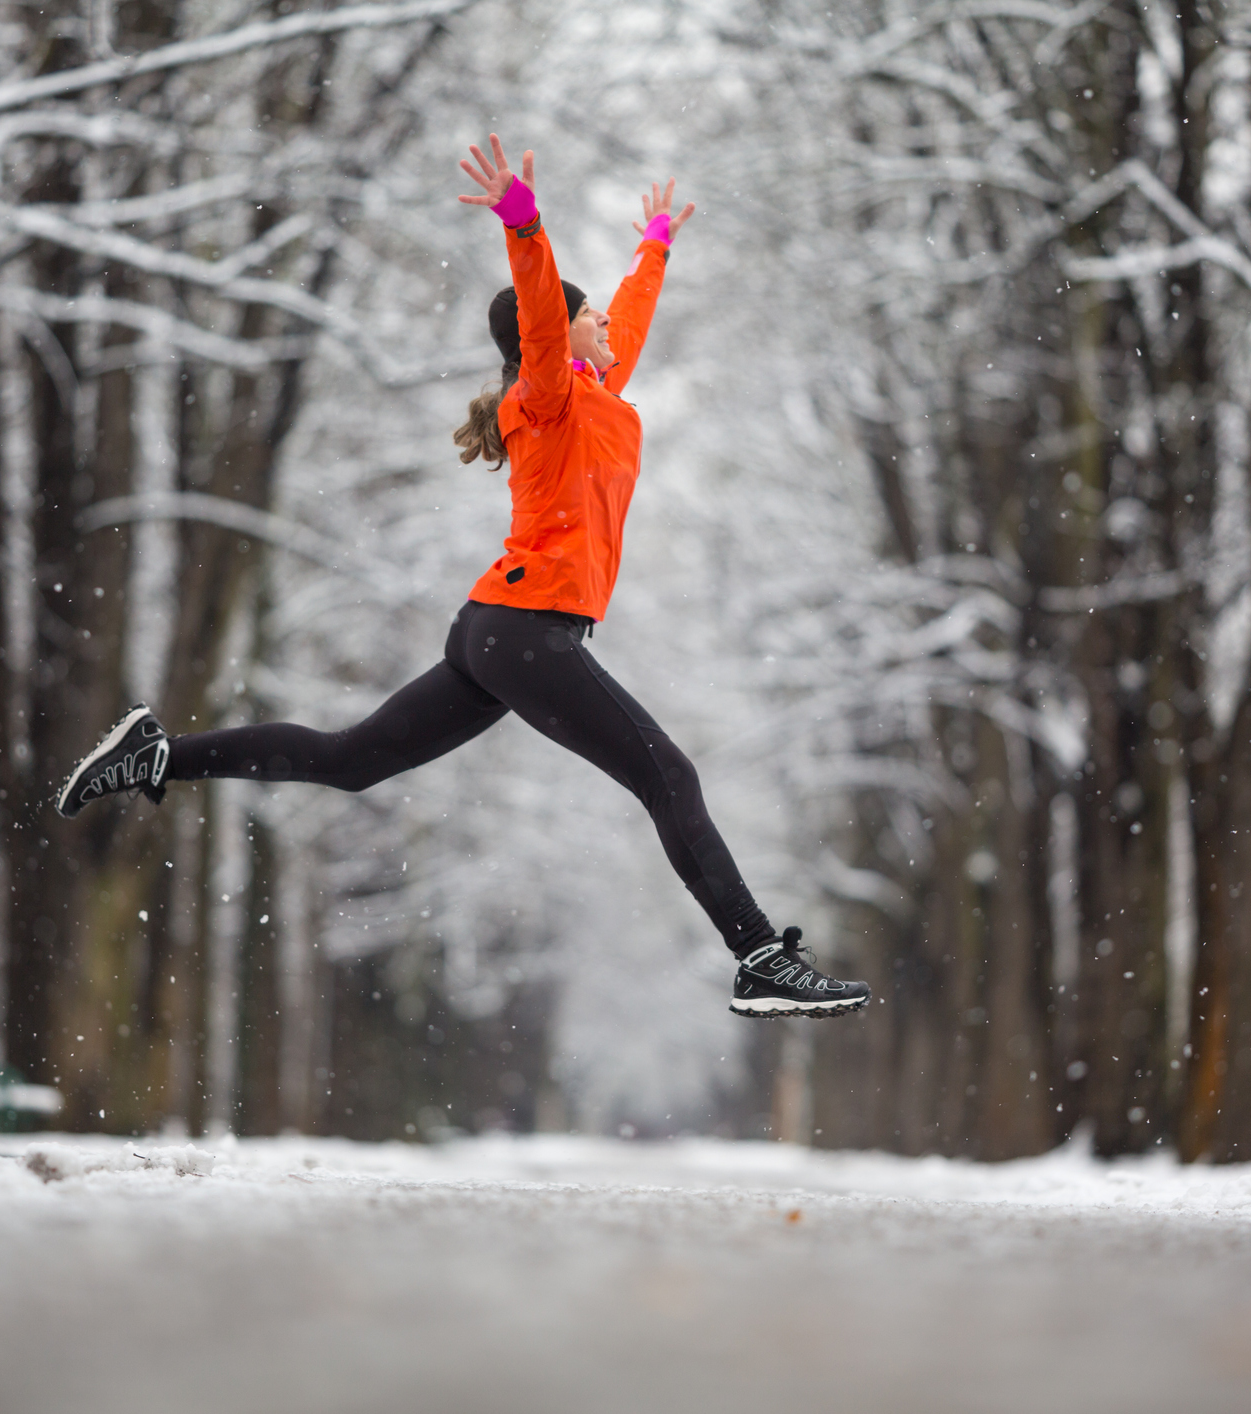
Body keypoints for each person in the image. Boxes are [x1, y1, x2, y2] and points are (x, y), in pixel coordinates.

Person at [57, 135, 869, 1020]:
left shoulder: (596, 392)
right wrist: (523, 224)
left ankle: (160, 755)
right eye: (585, 315)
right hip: (524, 630)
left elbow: (625, 320)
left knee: (351, 761)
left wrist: (657, 244)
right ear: (550, 340)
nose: (603, 322)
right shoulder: (547, 397)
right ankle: (759, 957)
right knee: (668, 779)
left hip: (498, 631)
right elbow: (545, 315)